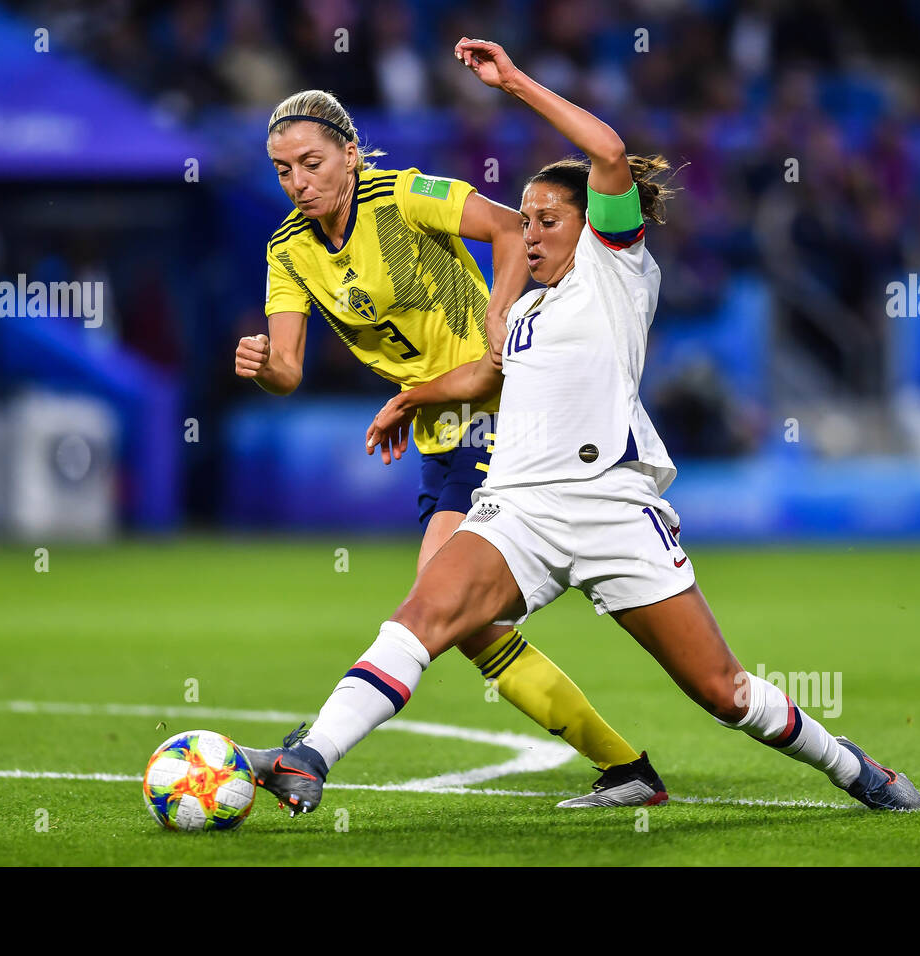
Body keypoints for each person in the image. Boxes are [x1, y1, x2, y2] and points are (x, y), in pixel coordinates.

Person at [238, 42, 920, 816]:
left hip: (609, 507)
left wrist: (515, 83)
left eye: (546, 220)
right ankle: (310, 756)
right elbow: (484, 377)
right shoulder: (524, 311)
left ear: (589, 221)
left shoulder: (614, 270)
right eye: (523, 221)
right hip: (519, 508)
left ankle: (851, 767)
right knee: (425, 614)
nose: (527, 234)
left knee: (722, 691)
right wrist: (414, 395)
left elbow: (604, 151)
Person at [234, 88, 668, 807]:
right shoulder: (289, 249)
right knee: (464, 624)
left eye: (311, 163)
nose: (298, 182)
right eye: (282, 170)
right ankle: (625, 768)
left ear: (350, 153)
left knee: (436, 606)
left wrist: (499, 312)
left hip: (497, 410)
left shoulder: (405, 196)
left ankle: (310, 749)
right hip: (441, 430)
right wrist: (263, 366)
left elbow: (506, 228)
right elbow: (288, 370)